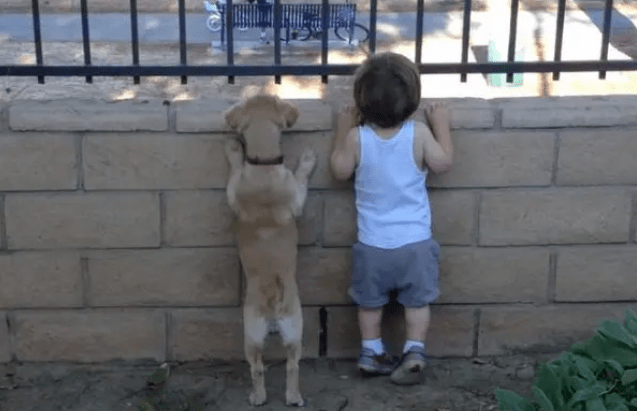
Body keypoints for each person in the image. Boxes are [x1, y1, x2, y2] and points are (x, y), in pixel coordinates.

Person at [329, 52, 454, 385]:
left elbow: (340, 171)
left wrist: (342, 129)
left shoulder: (358, 139)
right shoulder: (418, 134)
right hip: (415, 244)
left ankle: (372, 351)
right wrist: (441, 124)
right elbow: (442, 163)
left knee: (370, 305)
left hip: (372, 245)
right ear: (412, 98)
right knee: (417, 304)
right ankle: (414, 350)